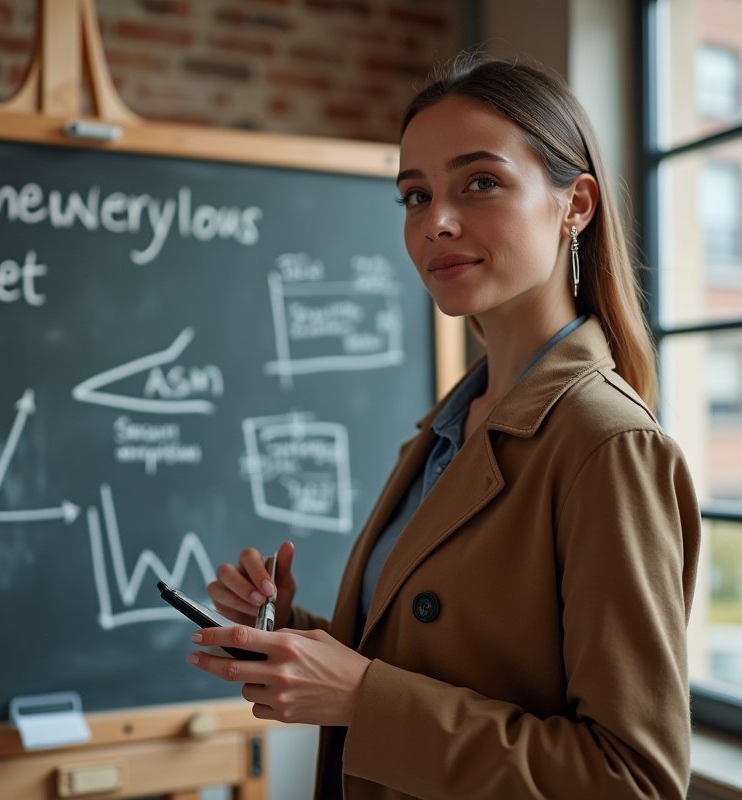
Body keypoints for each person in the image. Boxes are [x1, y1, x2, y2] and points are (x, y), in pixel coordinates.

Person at [187, 55, 701, 800]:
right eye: (415, 196)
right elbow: (442, 661)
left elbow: (633, 781)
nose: (437, 222)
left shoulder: (606, 444)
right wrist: (290, 632)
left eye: (480, 183)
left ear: (576, 205)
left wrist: (364, 698)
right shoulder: (450, 428)